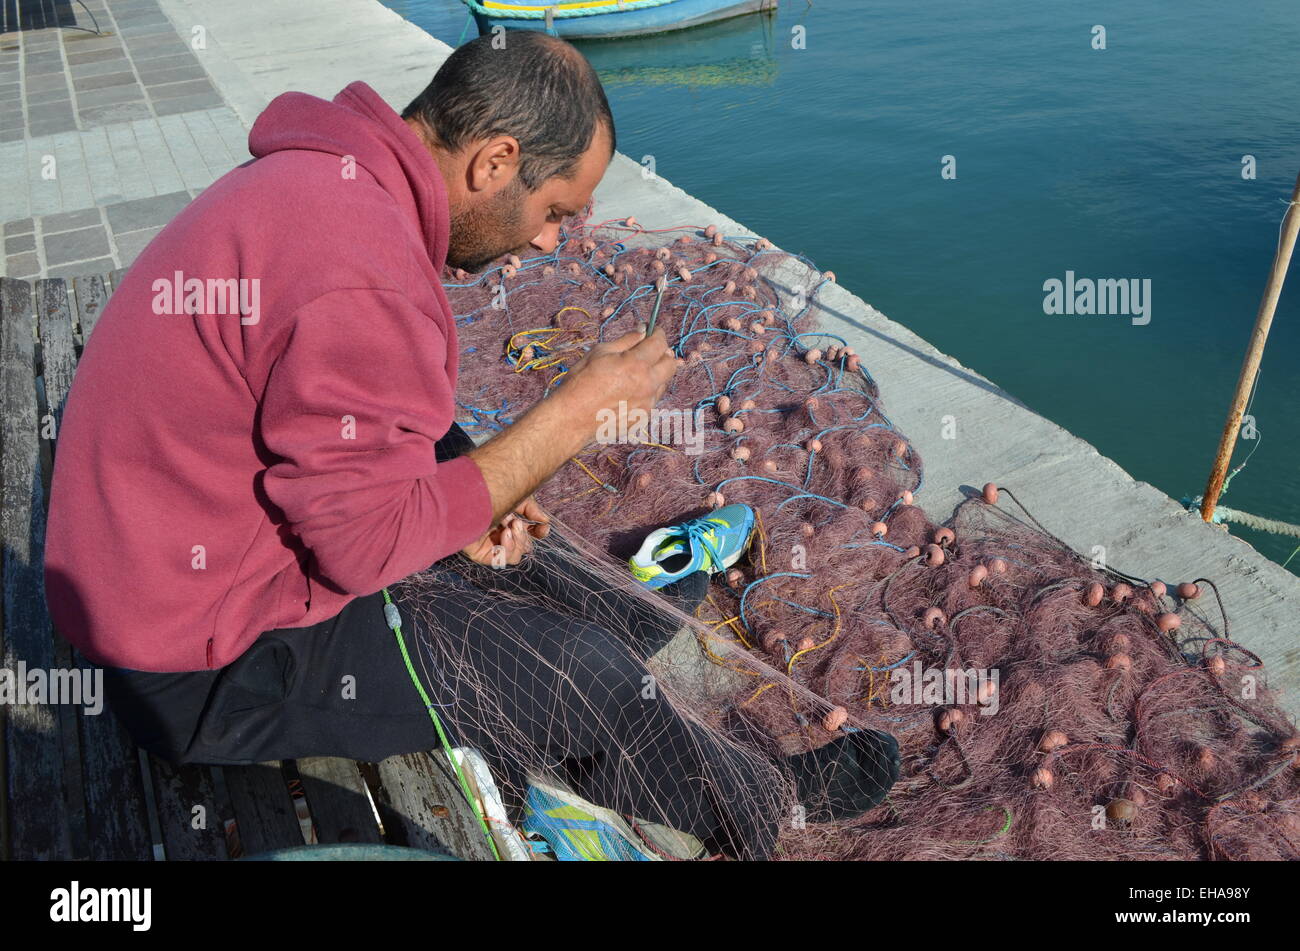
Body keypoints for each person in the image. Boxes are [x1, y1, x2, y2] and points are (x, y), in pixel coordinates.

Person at [44, 31, 897, 860]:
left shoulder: (326, 179)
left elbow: (340, 428)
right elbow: (360, 544)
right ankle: (766, 800)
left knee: (516, 528)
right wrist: (576, 414)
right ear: (493, 162)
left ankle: (629, 667)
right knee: (575, 675)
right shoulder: (360, 268)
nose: (549, 242)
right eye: (554, 211)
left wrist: (468, 480)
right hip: (197, 662)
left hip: (197, 557)